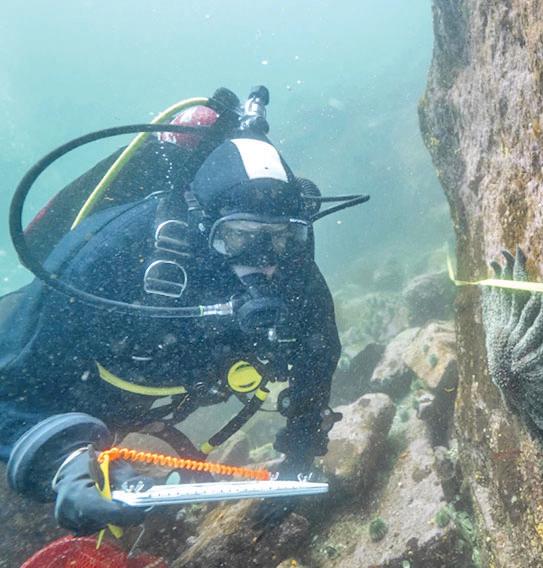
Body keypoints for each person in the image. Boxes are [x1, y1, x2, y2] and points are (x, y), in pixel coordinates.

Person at [0, 88, 356, 535]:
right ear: (202, 224)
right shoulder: (110, 253)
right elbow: (10, 390)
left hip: (159, 400)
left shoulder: (291, 268)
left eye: (284, 238)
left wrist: (300, 455)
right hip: (67, 394)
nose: (267, 261)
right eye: (242, 237)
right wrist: (65, 463)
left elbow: (317, 353)